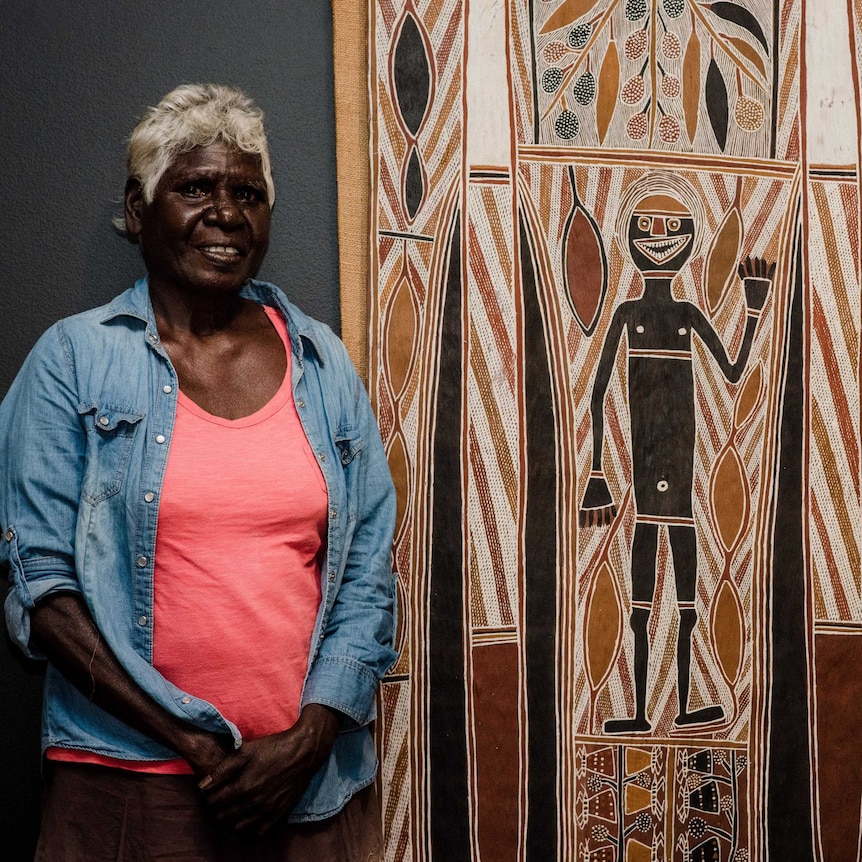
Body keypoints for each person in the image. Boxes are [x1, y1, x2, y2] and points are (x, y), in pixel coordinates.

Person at [0, 84, 396, 860]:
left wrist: (308, 737)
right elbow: (41, 588)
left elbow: (368, 576)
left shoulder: (323, 364)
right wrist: (199, 745)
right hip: (128, 782)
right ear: (139, 209)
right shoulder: (72, 361)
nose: (226, 212)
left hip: (308, 788)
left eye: (248, 193)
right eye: (195, 188)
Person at [579, 172, 772, 734]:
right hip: (644, 486)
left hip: (680, 489)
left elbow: (734, 372)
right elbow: (595, 393)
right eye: (647, 226)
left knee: (686, 604)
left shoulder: (687, 317)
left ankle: (683, 707)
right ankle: (640, 711)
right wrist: (596, 470)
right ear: (630, 236)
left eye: (671, 227)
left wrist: (754, 310)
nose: (659, 236)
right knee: (642, 606)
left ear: (688, 241)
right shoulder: (626, 316)